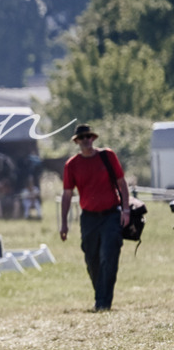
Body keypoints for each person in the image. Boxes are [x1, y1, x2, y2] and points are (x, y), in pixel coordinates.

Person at [60, 124, 130, 311]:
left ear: (93, 138)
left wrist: (126, 210)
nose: (86, 140)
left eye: (89, 137)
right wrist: (64, 223)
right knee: (92, 259)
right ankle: (101, 295)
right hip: (89, 218)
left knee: (109, 255)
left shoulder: (107, 156)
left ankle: (103, 302)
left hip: (111, 215)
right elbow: (67, 195)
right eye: (82, 138)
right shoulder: (72, 165)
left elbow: (122, 184)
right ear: (77, 141)